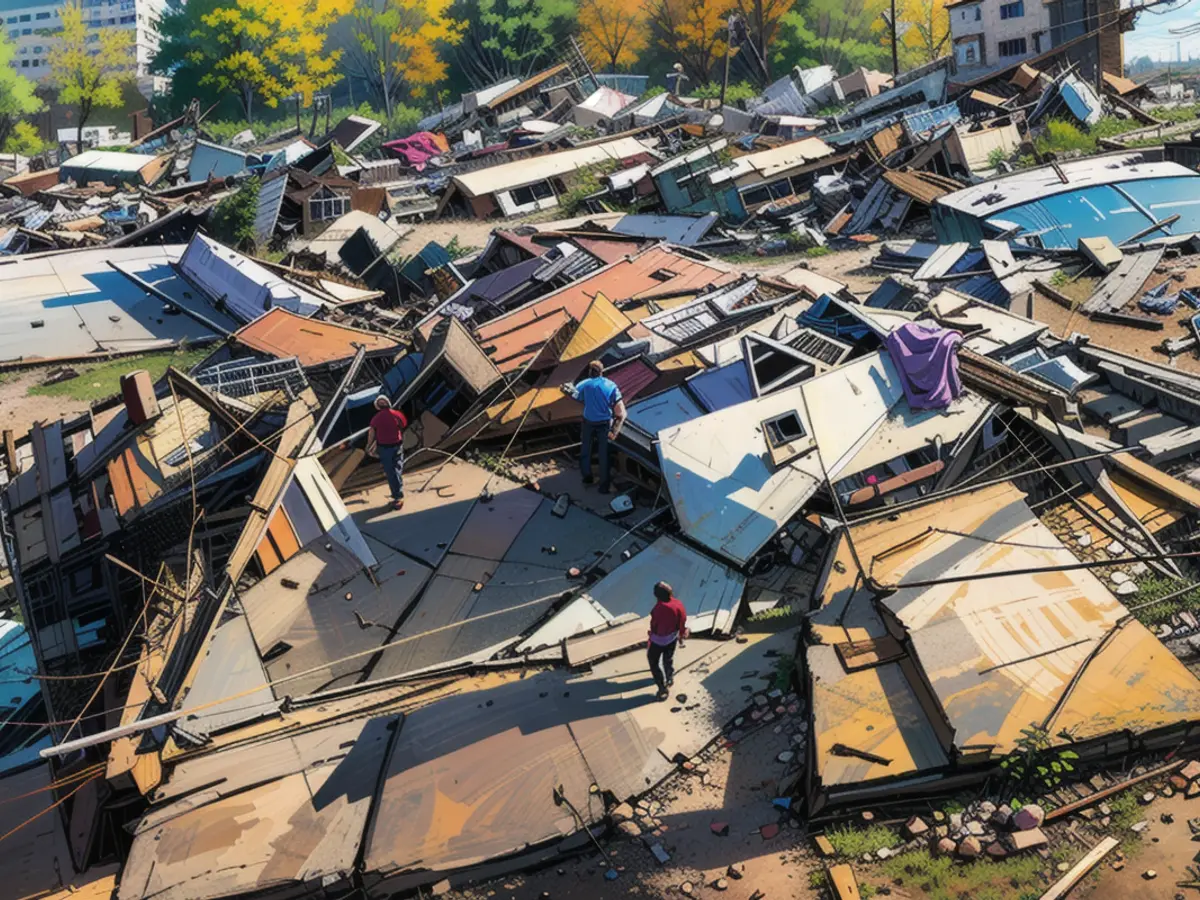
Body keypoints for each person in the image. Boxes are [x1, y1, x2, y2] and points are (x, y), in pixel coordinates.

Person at [561, 360, 627, 493]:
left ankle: (587, 479)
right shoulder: (611, 386)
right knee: (603, 455)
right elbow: (621, 413)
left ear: (590, 372)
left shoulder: (584, 384)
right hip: (604, 424)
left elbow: (577, 396)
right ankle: (604, 487)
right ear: (602, 371)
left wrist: (565, 388)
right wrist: (614, 431)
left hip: (588, 422)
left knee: (585, 450)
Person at [647, 581, 687, 701]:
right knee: (667, 659)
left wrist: (651, 633)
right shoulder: (678, 604)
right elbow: (682, 620)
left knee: (653, 663)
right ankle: (669, 677)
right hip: (672, 638)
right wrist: (681, 634)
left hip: (658, 641)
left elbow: (654, 625)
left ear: (657, 596)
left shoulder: (658, 608)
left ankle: (662, 688)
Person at [367, 395, 408, 510]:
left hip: (384, 448)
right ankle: (398, 491)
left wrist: (369, 445)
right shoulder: (397, 414)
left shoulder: (376, 418)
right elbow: (403, 425)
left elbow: (371, 433)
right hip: (397, 445)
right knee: (397, 468)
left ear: (378, 406)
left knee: (390, 472)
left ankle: (397, 497)